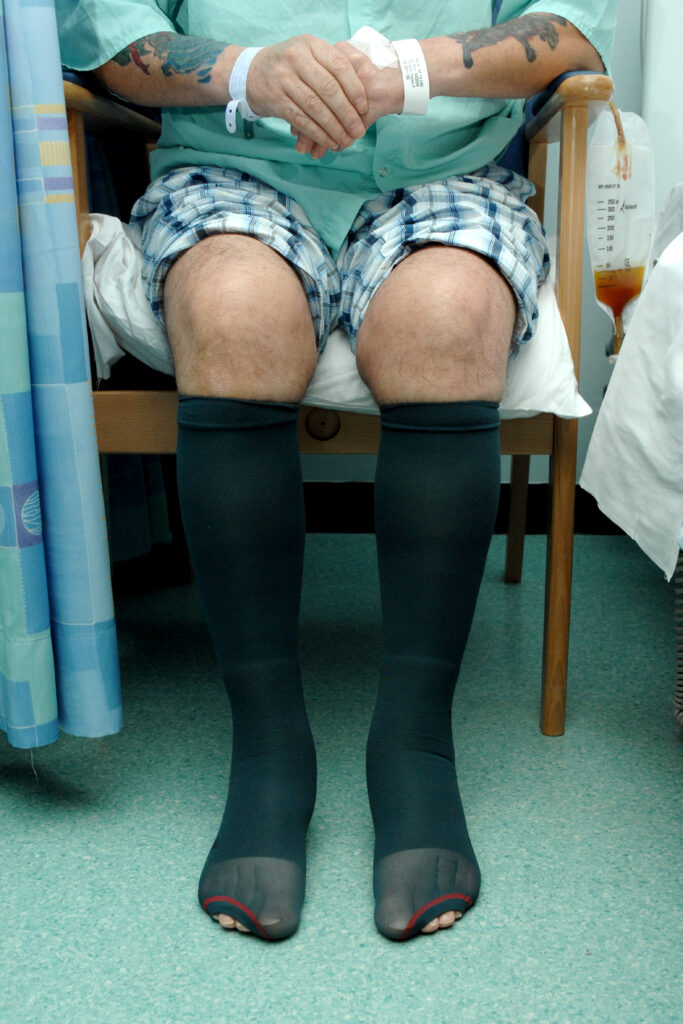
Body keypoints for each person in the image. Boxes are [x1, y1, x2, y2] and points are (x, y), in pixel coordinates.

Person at [57, 1, 616, 942]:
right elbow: (109, 37)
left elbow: (570, 27)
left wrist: (409, 69)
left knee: (446, 320)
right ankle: (270, 751)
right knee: (233, 312)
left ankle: (414, 748)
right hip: (233, 167)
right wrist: (247, 72)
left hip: (449, 172)